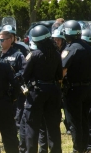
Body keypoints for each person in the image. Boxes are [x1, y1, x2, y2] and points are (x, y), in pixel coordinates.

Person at [22, 25, 62, 153]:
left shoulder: (33, 55)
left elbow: (24, 75)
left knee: (32, 126)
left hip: (36, 93)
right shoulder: (56, 54)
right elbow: (59, 75)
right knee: (53, 127)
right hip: (53, 91)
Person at [62, 20, 91, 153]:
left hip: (74, 90)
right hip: (87, 88)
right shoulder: (87, 47)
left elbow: (62, 70)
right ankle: (85, 146)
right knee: (85, 119)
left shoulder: (71, 48)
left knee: (75, 121)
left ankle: (77, 149)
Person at [0, 29, 26, 129]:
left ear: (10, 40)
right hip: (1, 91)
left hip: (14, 91)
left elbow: (23, 71)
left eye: (2, 40)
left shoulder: (17, 55)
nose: (0, 43)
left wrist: (12, 78)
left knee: (17, 116)